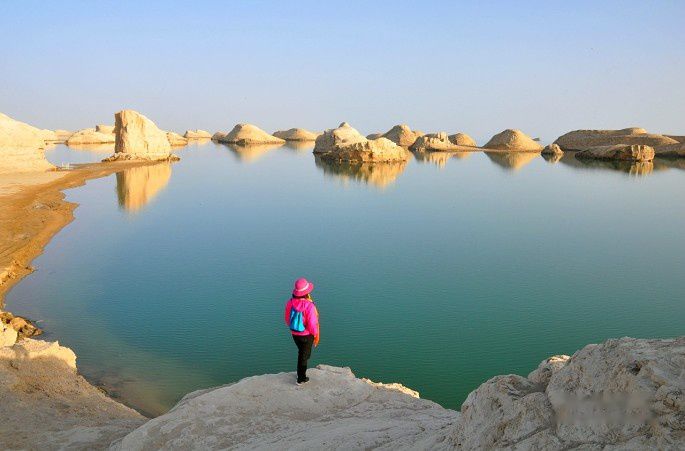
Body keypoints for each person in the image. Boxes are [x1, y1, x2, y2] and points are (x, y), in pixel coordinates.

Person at [284, 277, 320, 384]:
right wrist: (315, 334)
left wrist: (294, 328)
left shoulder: (290, 302)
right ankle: (301, 379)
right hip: (306, 335)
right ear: (306, 293)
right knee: (304, 356)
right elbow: (313, 324)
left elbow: (287, 319)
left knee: (302, 353)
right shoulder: (309, 305)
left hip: (295, 334)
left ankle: (300, 373)